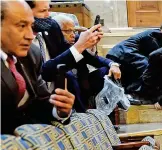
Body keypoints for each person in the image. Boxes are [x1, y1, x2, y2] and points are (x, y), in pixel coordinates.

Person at [25, 1, 121, 105]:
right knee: (68, 75)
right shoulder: (23, 41)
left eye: (48, 9)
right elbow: (45, 72)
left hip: (66, 90)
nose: (49, 15)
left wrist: (87, 46)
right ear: (25, 11)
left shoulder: (51, 26)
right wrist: (80, 46)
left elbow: (69, 51)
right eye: (43, 11)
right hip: (36, 96)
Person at [1, 0, 75, 134]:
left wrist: (60, 110)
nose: (29, 36)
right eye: (21, 26)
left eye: (31, 26)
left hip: (27, 146)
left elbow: (40, 103)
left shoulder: (33, 54)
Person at [106, 26, 162, 96]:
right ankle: (135, 92)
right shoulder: (155, 34)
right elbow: (154, 53)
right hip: (124, 52)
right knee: (147, 67)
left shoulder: (156, 35)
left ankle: (133, 90)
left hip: (124, 53)